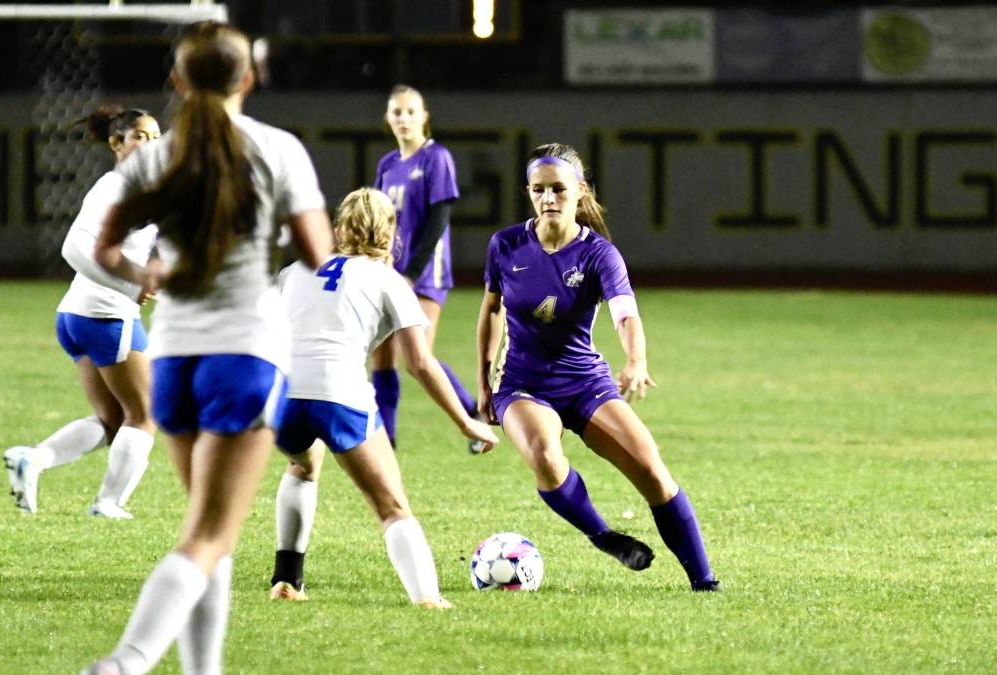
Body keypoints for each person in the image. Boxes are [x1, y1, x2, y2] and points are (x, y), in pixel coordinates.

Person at [79, 21, 334, 675]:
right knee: (209, 536)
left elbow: (105, 247)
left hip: (172, 359)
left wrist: (148, 278)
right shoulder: (276, 150)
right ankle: (126, 663)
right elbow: (318, 256)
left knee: (205, 530)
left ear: (178, 82)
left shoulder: (153, 159)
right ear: (248, 78)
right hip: (244, 355)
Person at [475, 143, 720, 592]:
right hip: (524, 385)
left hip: (585, 383)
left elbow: (625, 313)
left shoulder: (599, 254)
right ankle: (604, 536)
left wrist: (636, 360)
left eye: (558, 189)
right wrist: (484, 381)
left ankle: (705, 583)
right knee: (546, 457)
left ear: (580, 190)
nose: (548, 198)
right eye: (538, 190)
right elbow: (491, 309)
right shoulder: (506, 244)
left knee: (652, 470)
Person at [268, 188, 499, 606]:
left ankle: (287, 578)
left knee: (303, 466)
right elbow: (420, 363)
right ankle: (428, 598)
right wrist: (466, 422)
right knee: (392, 506)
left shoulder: (295, 271)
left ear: (339, 230)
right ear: (390, 233)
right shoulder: (389, 280)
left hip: (282, 397)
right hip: (339, 395)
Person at [3, 105, 162, 519]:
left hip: (77, 314)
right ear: (117, 143)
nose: (151, 145)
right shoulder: (116, 186)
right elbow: (73, 248)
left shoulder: (134, 190)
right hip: (106, 315)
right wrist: (129, 286)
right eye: (141, 136)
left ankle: (32, 460)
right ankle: (108, 503)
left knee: (112, 418)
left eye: (157, 138)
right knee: (145, 414)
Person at [371, 84, 484, 452]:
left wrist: (412, 270)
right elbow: (376, 219)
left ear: (424, 116)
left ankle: (474, 412)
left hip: (425, 274)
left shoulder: (436, 158)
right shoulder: (387, 164)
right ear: (388, 118)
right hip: (388, 271)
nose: (403, 118)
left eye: (410, 111)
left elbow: (438, 219)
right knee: (382, 355)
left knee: (417, 358)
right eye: (397, 112)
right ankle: (385, 439)